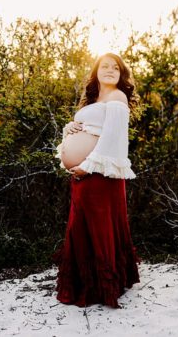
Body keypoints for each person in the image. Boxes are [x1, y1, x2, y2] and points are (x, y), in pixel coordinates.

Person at [54, 53, 140, 307]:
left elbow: (113, 139)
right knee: (81, 228)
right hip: (84, 174)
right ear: (96, 71)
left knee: (99, 228)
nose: (111, 70)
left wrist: (88, 166)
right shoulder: (94, 99)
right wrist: (69, 128)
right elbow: (89, 129)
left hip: (101, 175)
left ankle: (103, 289)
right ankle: (83, 284)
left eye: (116, 67)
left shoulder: (117, 97)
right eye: (105, 66)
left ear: (122, 74)